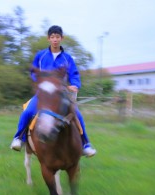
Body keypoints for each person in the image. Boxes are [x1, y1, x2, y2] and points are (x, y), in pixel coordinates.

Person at [10, 25, 96, 157]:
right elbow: (33, 72)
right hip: (43, 94)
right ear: (48, 39)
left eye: (57, 37)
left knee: (77, 114)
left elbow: (74, 75)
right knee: (28, 111)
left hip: (61, 94)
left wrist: (75, 85)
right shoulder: (41, 55)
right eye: (52, 37)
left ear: (62, 38)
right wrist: (39, 82)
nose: (55, 39)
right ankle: (19, 138)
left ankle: (85, 144)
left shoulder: (68, 58)